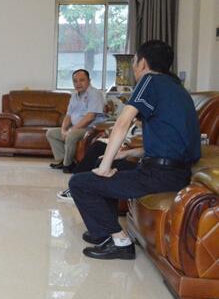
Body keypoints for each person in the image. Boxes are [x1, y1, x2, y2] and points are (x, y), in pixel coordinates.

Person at [68, 40, 201, 260]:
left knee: (79, 183)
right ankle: (104, 231)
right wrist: (125, 154)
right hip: (174, 173)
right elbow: (169, 144)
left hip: (159, 175)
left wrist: (105, 167)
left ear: (143, 63)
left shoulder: (150, 80)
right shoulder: (178, 89)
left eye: (134, 63)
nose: (134, 69)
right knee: (107, 163)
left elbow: (123, 122)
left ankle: (120, 241)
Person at [56, 122, 141, 202]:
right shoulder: (135, 123)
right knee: (98, 146)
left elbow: (138, 143)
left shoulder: (144, 126)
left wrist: (125, 150)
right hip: (125, 148)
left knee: (100, 155)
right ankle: (77, 184)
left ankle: (79, 188)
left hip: (135, 158)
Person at [46, 69, 106, 173]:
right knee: (51, 133)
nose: (78, 83)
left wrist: (71, 130)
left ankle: (68, 165)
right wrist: (64, 130)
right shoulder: (74, 95)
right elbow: (68, 115)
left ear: (89, 80)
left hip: (90, 128)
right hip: (76, 128)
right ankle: (63, 160)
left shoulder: (95, 94)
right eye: (75, 81)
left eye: (82, 80)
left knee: (71, 135)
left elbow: (90, 117)